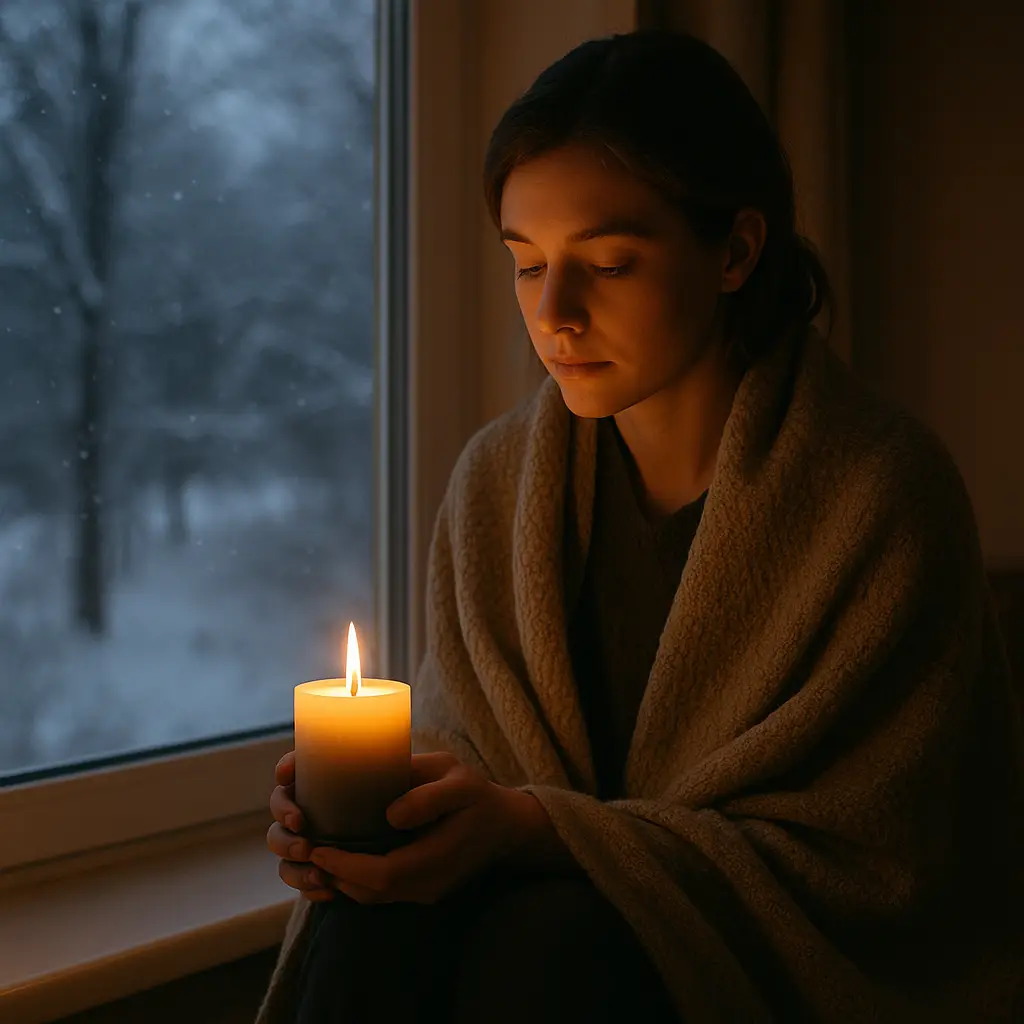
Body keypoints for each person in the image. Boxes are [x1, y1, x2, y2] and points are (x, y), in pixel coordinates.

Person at [257, 29, 1024, 1024]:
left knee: (553, 945)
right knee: (369, 917)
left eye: (608, 263)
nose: (555, 314)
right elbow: (475, 757)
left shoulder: (878, 494)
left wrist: (536, 830)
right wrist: (390, 814)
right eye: (527, 265)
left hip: (721, 968)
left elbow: (881, 868)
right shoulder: (495, 484)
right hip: (530, 945)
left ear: (735, 250)